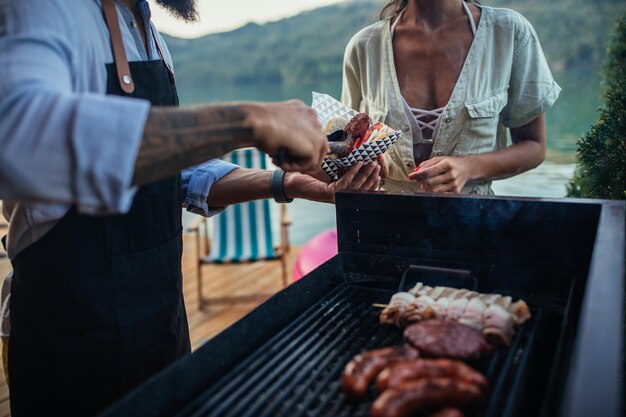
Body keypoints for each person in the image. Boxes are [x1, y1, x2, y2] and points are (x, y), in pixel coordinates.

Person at [0, 1, 381, 416]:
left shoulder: (148, 33)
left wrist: (291, 184)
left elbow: (168, 173)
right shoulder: (43, 7)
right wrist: (245, 121)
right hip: (73, 342)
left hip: (163, 326)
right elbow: (18, 143)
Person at [342, 0, 561, 195]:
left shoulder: (507, 32)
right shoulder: (365, 47)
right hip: (385, 227)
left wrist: (468, 168)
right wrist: (366, 165)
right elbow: (345, 148)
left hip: (474, 226)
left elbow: (533, 146)